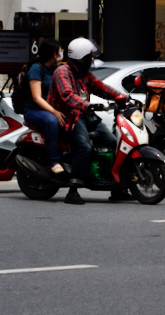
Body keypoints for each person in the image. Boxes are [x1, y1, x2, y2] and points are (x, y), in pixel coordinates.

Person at [47, 37, 129, 205]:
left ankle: (116, 188)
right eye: (88, 57)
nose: (91, 60)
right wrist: (88, 105)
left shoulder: (85, 74)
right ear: (80, 58)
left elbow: (101, 87)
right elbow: (68, 96)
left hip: (85, 115)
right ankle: (73, 189)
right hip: (68, 117)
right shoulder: (62, 72)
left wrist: (122, 97)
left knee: (113, 142)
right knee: (84, 147)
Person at [21, 39, 67, 178]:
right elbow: (37, 97)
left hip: (52, 109)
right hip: (34, 111)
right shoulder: (37, 68)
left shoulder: (56, 69)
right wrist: (54, 112)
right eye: (60, 52)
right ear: (54, 54)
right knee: (51, 121)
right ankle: (54, 162)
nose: (61, 54)